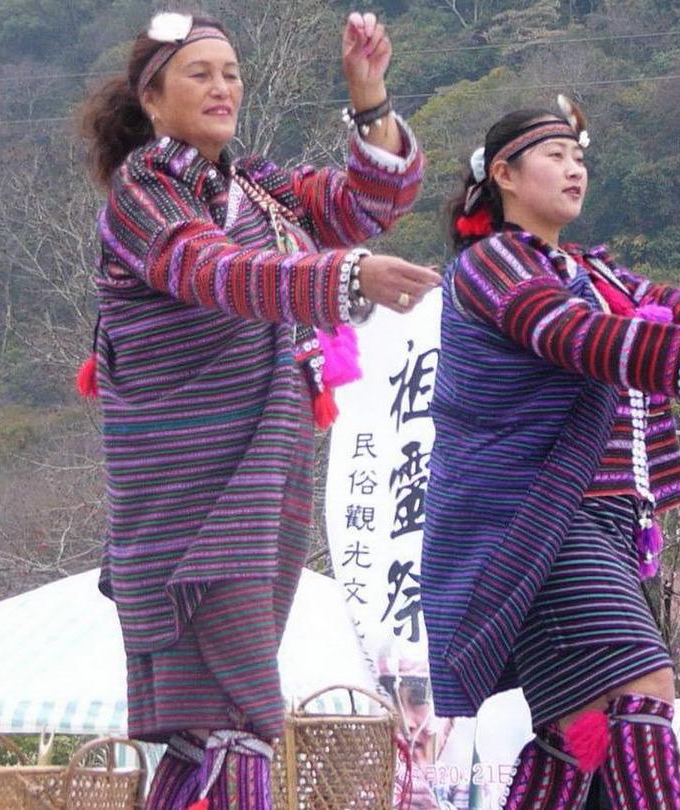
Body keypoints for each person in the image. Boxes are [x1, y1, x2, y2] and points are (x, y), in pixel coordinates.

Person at [79, 9, 437, 808]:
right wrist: (347, 278)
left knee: (215, 727)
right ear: (152, 97)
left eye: (231, 73)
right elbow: (215, 272)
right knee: (233, 716)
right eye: (200, 73)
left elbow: (367, 203)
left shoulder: (261, 188)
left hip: (263, 467)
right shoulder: (144, 192)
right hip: (187, 491)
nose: (222, 87)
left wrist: (370, 98)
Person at [421, 98, 680, 809]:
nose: (575, 170)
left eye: (580, 159)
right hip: (535, 523)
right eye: (556, 156)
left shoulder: (592, 271)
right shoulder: (491, 265)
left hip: (607, 522)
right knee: (645, 685)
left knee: (582, 726)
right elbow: (573, 336)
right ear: (504, 173)